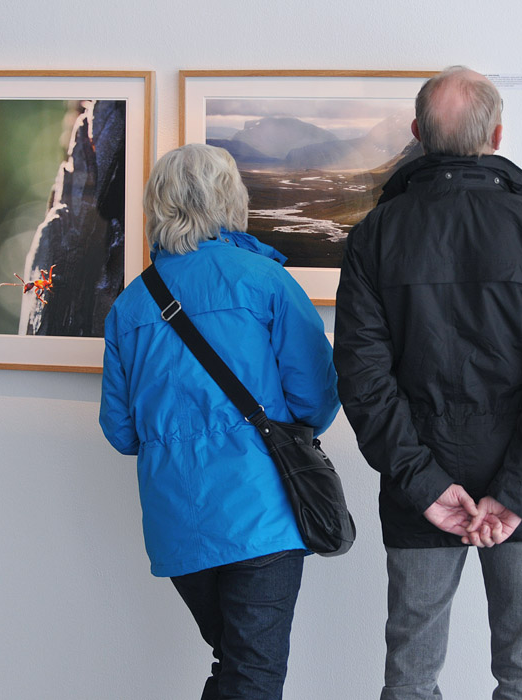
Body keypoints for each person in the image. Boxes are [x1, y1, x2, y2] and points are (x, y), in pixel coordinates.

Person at [334, 66, 522, 699]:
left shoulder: (375, 235)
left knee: (411, 675)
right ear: (497, 135)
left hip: (419, 491)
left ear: (419, 134)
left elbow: (363, 381)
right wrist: (517, 491)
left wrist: (425, 487)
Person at [99, 143, 339, 699]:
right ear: (231, 201)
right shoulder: (266, 282)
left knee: (233, 664)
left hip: (177, 520)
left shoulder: (132, 305)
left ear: (158, 206)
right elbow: (317, 398)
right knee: (253, 675)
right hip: (262, 511)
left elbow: (120, 431)